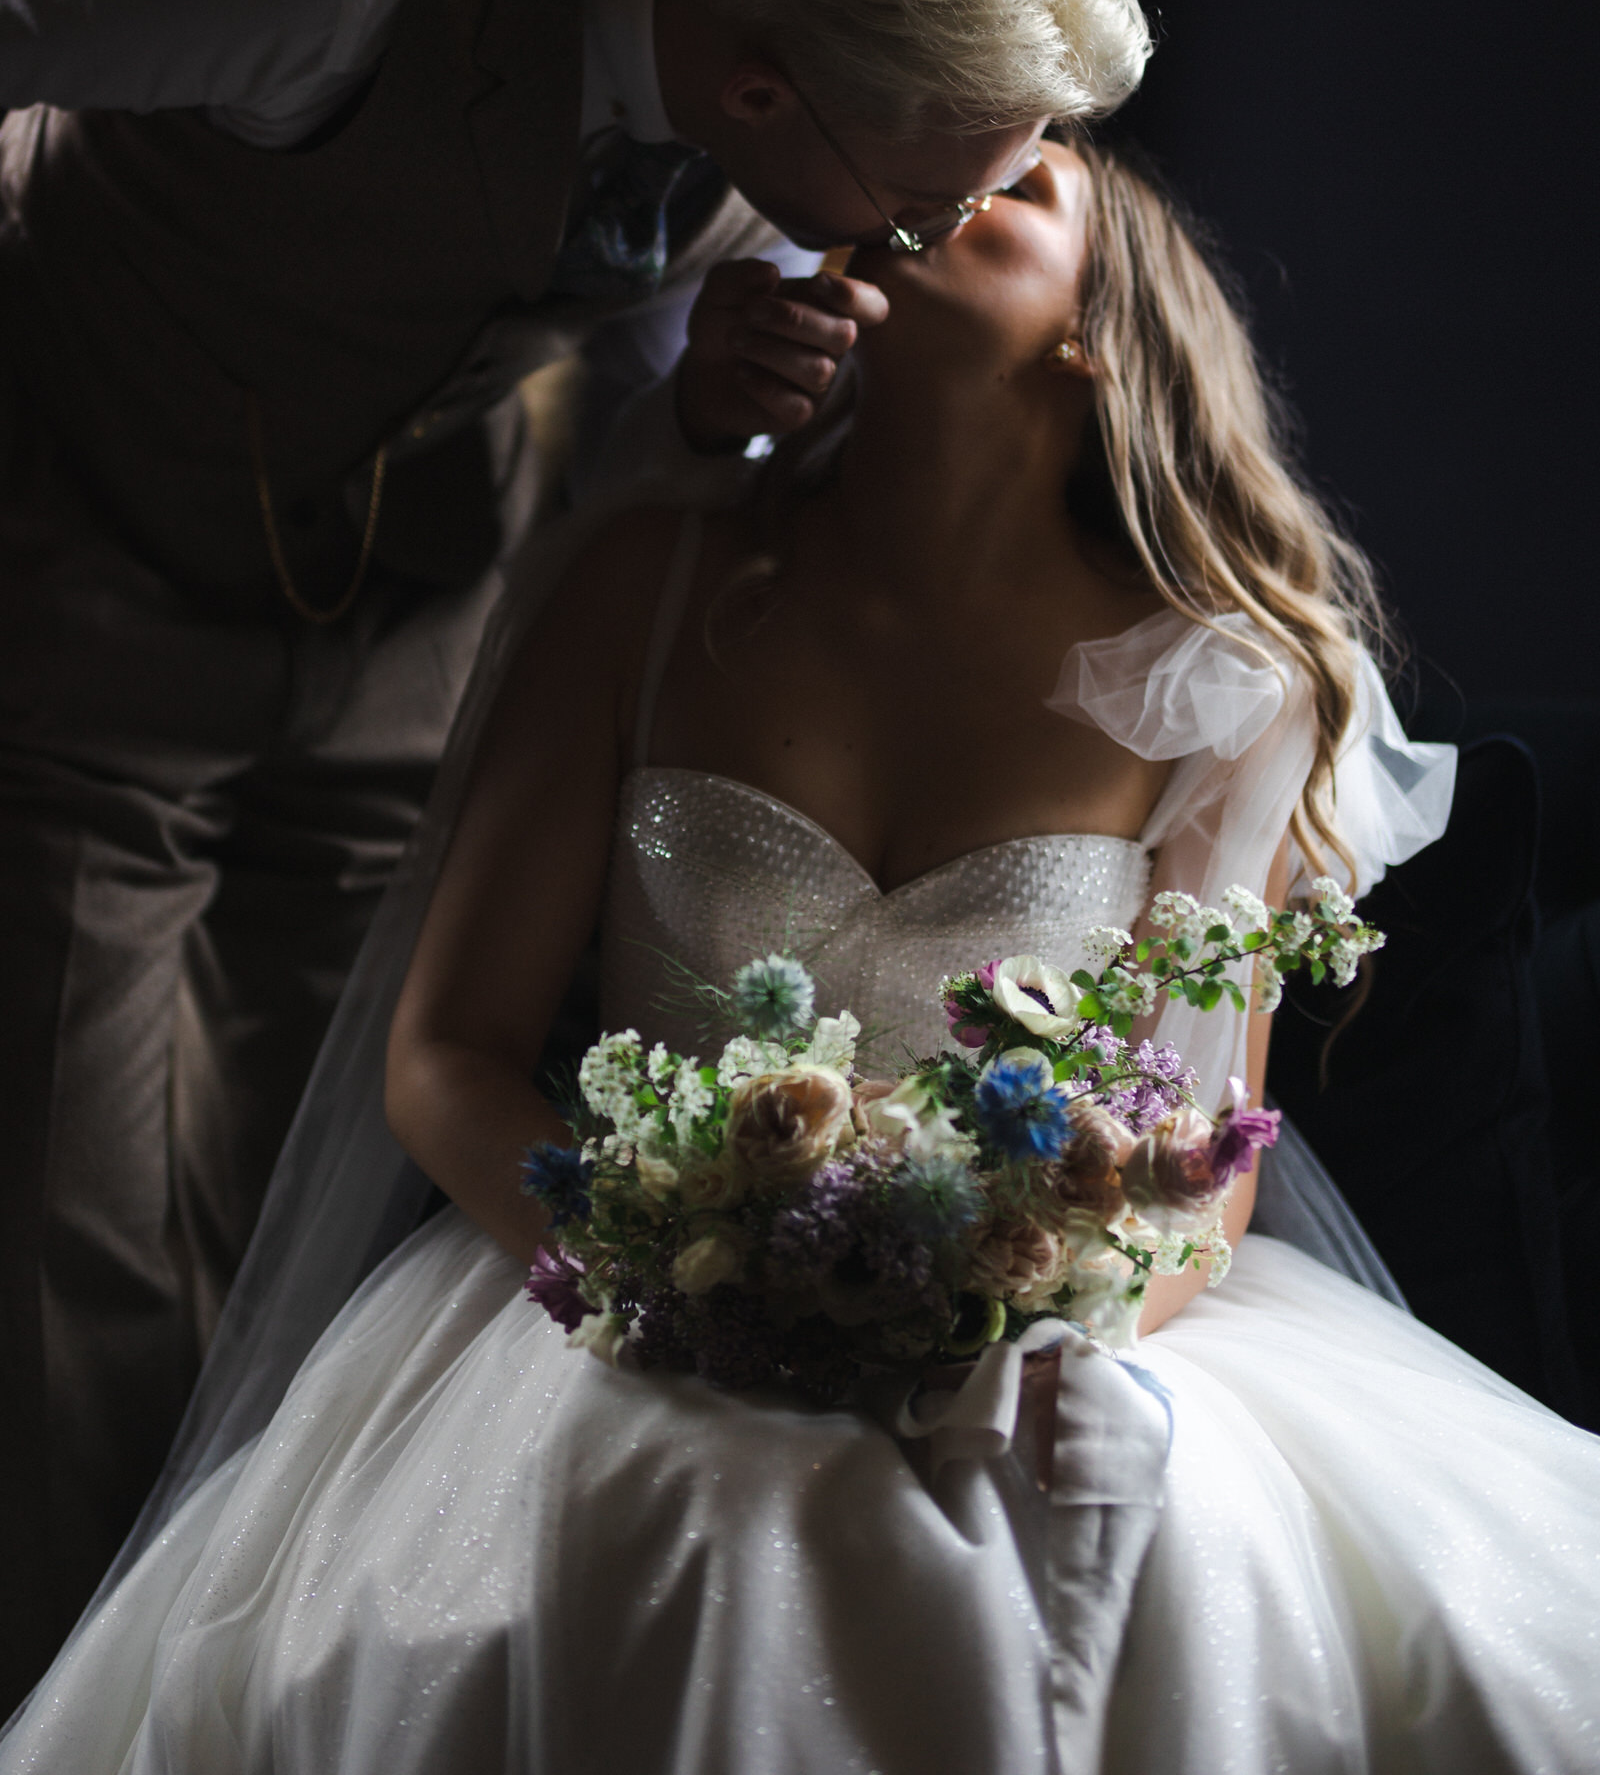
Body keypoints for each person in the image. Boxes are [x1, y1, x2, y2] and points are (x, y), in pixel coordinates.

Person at [6, 134, 1596, 1775]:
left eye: (1017, 184)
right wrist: (666, 1272)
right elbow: (446, 1057)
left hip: (1035, 1326)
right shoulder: (653, 574)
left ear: (1100, 328)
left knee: (1118, 1544)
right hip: (619, 1289)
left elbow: (1205, 1157)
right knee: (660, 1518)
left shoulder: (1213, 672)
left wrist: (1024, 1312)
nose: (940, 179)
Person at [0, 0, 1147, 1694]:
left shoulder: (797, 20)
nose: (941, 232)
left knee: (311, 1228)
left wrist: (697, 421)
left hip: (409, 636)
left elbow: (607, 417)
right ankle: (79, 1711)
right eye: (935, 192)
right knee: (69, 1248)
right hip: (67, 609)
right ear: (767, 101)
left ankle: (259, 1692)